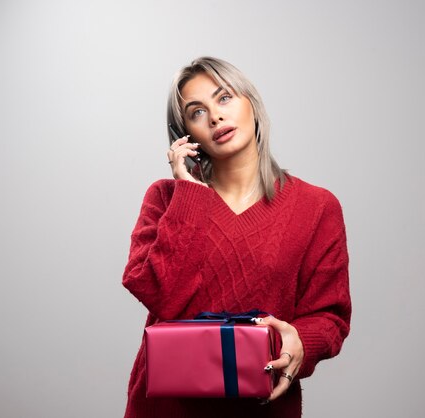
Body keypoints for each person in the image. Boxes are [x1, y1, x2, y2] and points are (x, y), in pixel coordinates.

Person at [122, 56, 351, 418]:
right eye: (197, 112)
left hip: (260, 405)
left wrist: (300, 343)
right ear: (185, 134)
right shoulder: (167, 198)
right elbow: (161, 296)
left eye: (224, 98)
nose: (215, 117)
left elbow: (330, 315)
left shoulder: (316, 207)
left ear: (251, 104)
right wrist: (191, 195)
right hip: (166, 408)